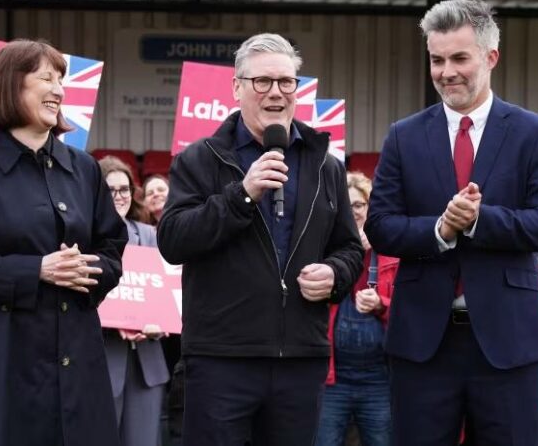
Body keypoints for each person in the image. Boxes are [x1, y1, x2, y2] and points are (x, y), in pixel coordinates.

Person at [364, 0, 538, 445]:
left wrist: (480, 221)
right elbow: (379, 225)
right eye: (437, 60)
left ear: (490, 57)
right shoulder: (403, 135)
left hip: (511, 343)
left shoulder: (534, 133)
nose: (446, 71)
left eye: (459, 58)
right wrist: (440, 231)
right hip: (423, 344)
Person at [157, 33, 363, 446]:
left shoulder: (326, 163)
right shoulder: (200, 158)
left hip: (300, 362)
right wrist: (242, 196)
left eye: (286, 82)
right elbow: (173, 239)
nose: (276, 93)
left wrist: (335, 273)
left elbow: (350, 248)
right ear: (237, 87)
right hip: (221, 361)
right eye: (262, 82)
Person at [0, 39, 127, 446]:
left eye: (62, 80)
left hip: (77, 360)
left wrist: (87, 270)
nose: (59, 90)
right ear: (10, 86)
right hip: (3, 363)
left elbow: (112, 247)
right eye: (46, 78)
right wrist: (37, 270)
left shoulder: (84, 168)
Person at [316, 171, 398, 446]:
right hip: (332, 380)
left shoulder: (393, 254)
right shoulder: (321, 251)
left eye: (358, 205)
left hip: (380, 380)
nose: (353, 212)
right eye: (346, 206)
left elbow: (412, 313)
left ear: (369, 208)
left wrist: (381, 305)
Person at [98, 155, 170, 446]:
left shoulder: (152, 236)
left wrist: (162, 323)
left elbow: (168, 297)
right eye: (110, 190)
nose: (119, 196)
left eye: (124, 189)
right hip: (104, 359)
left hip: (148, 364)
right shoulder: (85, 238)